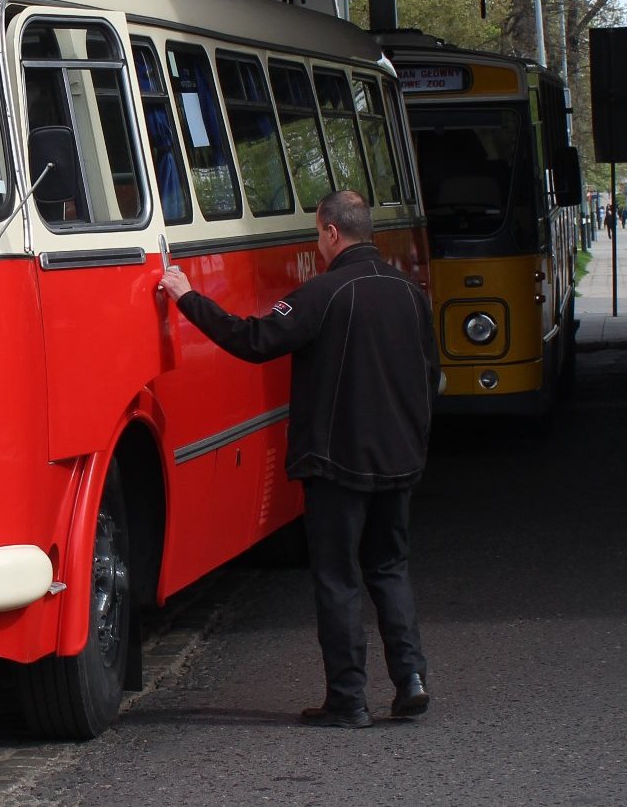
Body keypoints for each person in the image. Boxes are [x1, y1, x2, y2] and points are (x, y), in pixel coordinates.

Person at [156, 190, 436, 728]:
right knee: (390, 568)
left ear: (331, 231)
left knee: (337, 579)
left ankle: (348, 699)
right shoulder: (410, 293)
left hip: (336, 463)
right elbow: (429, 377)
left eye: (316, 233)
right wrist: (414, 441)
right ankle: (411, 680)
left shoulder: (323, 293)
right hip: (399, 460)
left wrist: (187, 297)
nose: (318, 241)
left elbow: (253, 339)